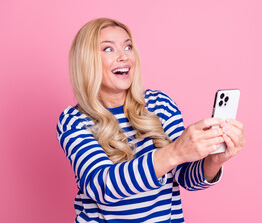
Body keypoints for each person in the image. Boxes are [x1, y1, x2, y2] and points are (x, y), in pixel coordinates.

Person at [56, 18, 245, 223]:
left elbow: (186, 177)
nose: (124, 56)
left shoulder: (159, 104)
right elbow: (103, 186)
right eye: (109, 49)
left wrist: (215, 160)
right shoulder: (73, 121)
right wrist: (176, 151)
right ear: (86, 60)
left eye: (128, 46)